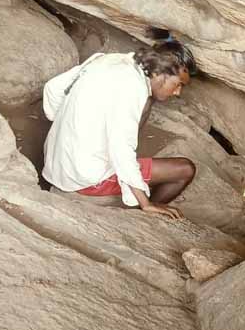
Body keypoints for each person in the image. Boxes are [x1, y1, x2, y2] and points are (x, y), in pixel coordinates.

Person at [41, 28, 197, 219]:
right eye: (178, 84)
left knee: (149, 101)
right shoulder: (132, 88)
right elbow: (121, 149)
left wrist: (67, 128)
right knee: (185, 169)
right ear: (159, 72)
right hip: (84, 179)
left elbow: (52, 89)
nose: (178, 92)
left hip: (56, 163)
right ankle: (145, 215)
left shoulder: (111, 59)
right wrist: (145, 203)